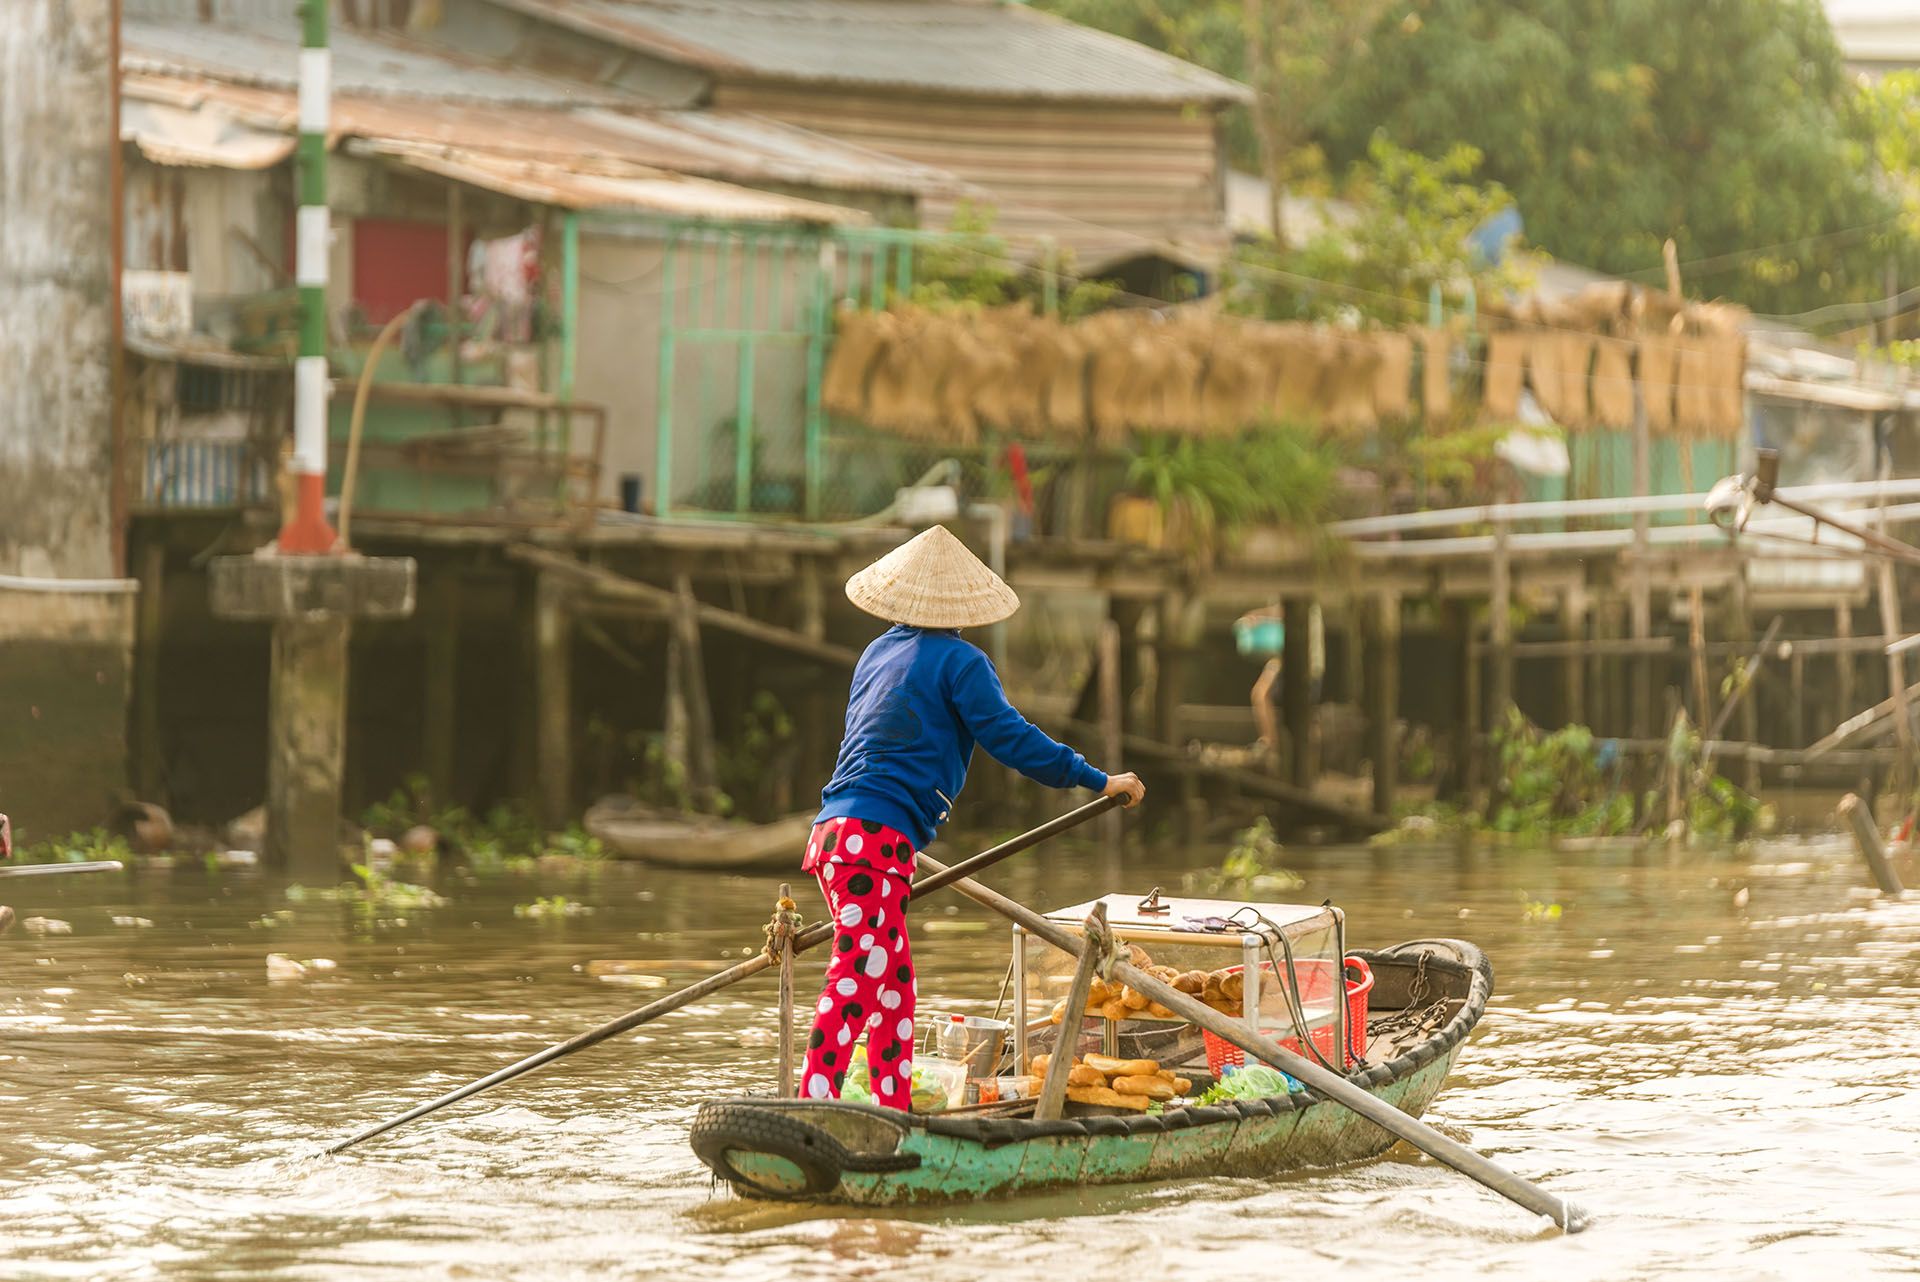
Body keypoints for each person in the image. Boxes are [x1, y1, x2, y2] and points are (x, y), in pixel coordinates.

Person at [797, 525, 1144, 1108]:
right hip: (873, 840)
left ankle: (892, 1103)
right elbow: (1012, 740)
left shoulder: (876, 651)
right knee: (858, 972)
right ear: (962, 608)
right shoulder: (963, 662)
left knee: (895, 984)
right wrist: (1097, 780)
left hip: (838, 834)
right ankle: (812, 1098)